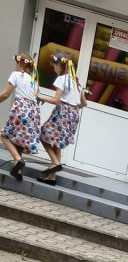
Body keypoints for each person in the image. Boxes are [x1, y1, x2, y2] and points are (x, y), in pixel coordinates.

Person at [38, 55, 87, 185]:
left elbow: (57, 100)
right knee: (56, 142)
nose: (54, 69)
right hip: (73, 114)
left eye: (55, 66)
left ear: (60, 66)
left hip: (63, 112)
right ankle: (52, 177)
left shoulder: (62, 79)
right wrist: (74, 108)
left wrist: (41, 98)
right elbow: (84, 103)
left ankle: (55, 162)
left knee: (43, 134)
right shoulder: (77, 82)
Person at [0, 53, 41, 180]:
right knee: (19, 141)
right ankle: (18, 171)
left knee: (4, 135)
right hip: (33, 113)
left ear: (20, 63)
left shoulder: (16, 75)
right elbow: (37, 99)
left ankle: (18, 159)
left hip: (21, 109)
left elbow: (6, 93)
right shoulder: (35, 81)